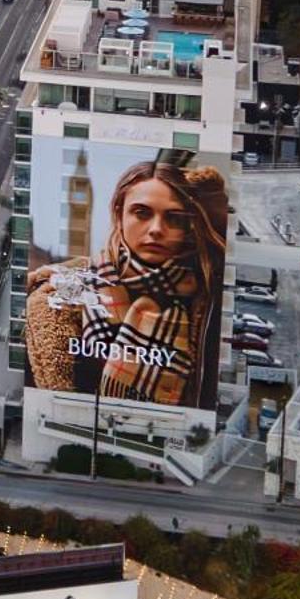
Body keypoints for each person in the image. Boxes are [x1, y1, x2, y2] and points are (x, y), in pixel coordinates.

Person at [24, 151, 228, 407]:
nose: (156, 229)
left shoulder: (206, 298)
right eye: (142, 213)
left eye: (173, 218)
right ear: (119, 215)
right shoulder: (53, 302)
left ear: (189, 226)